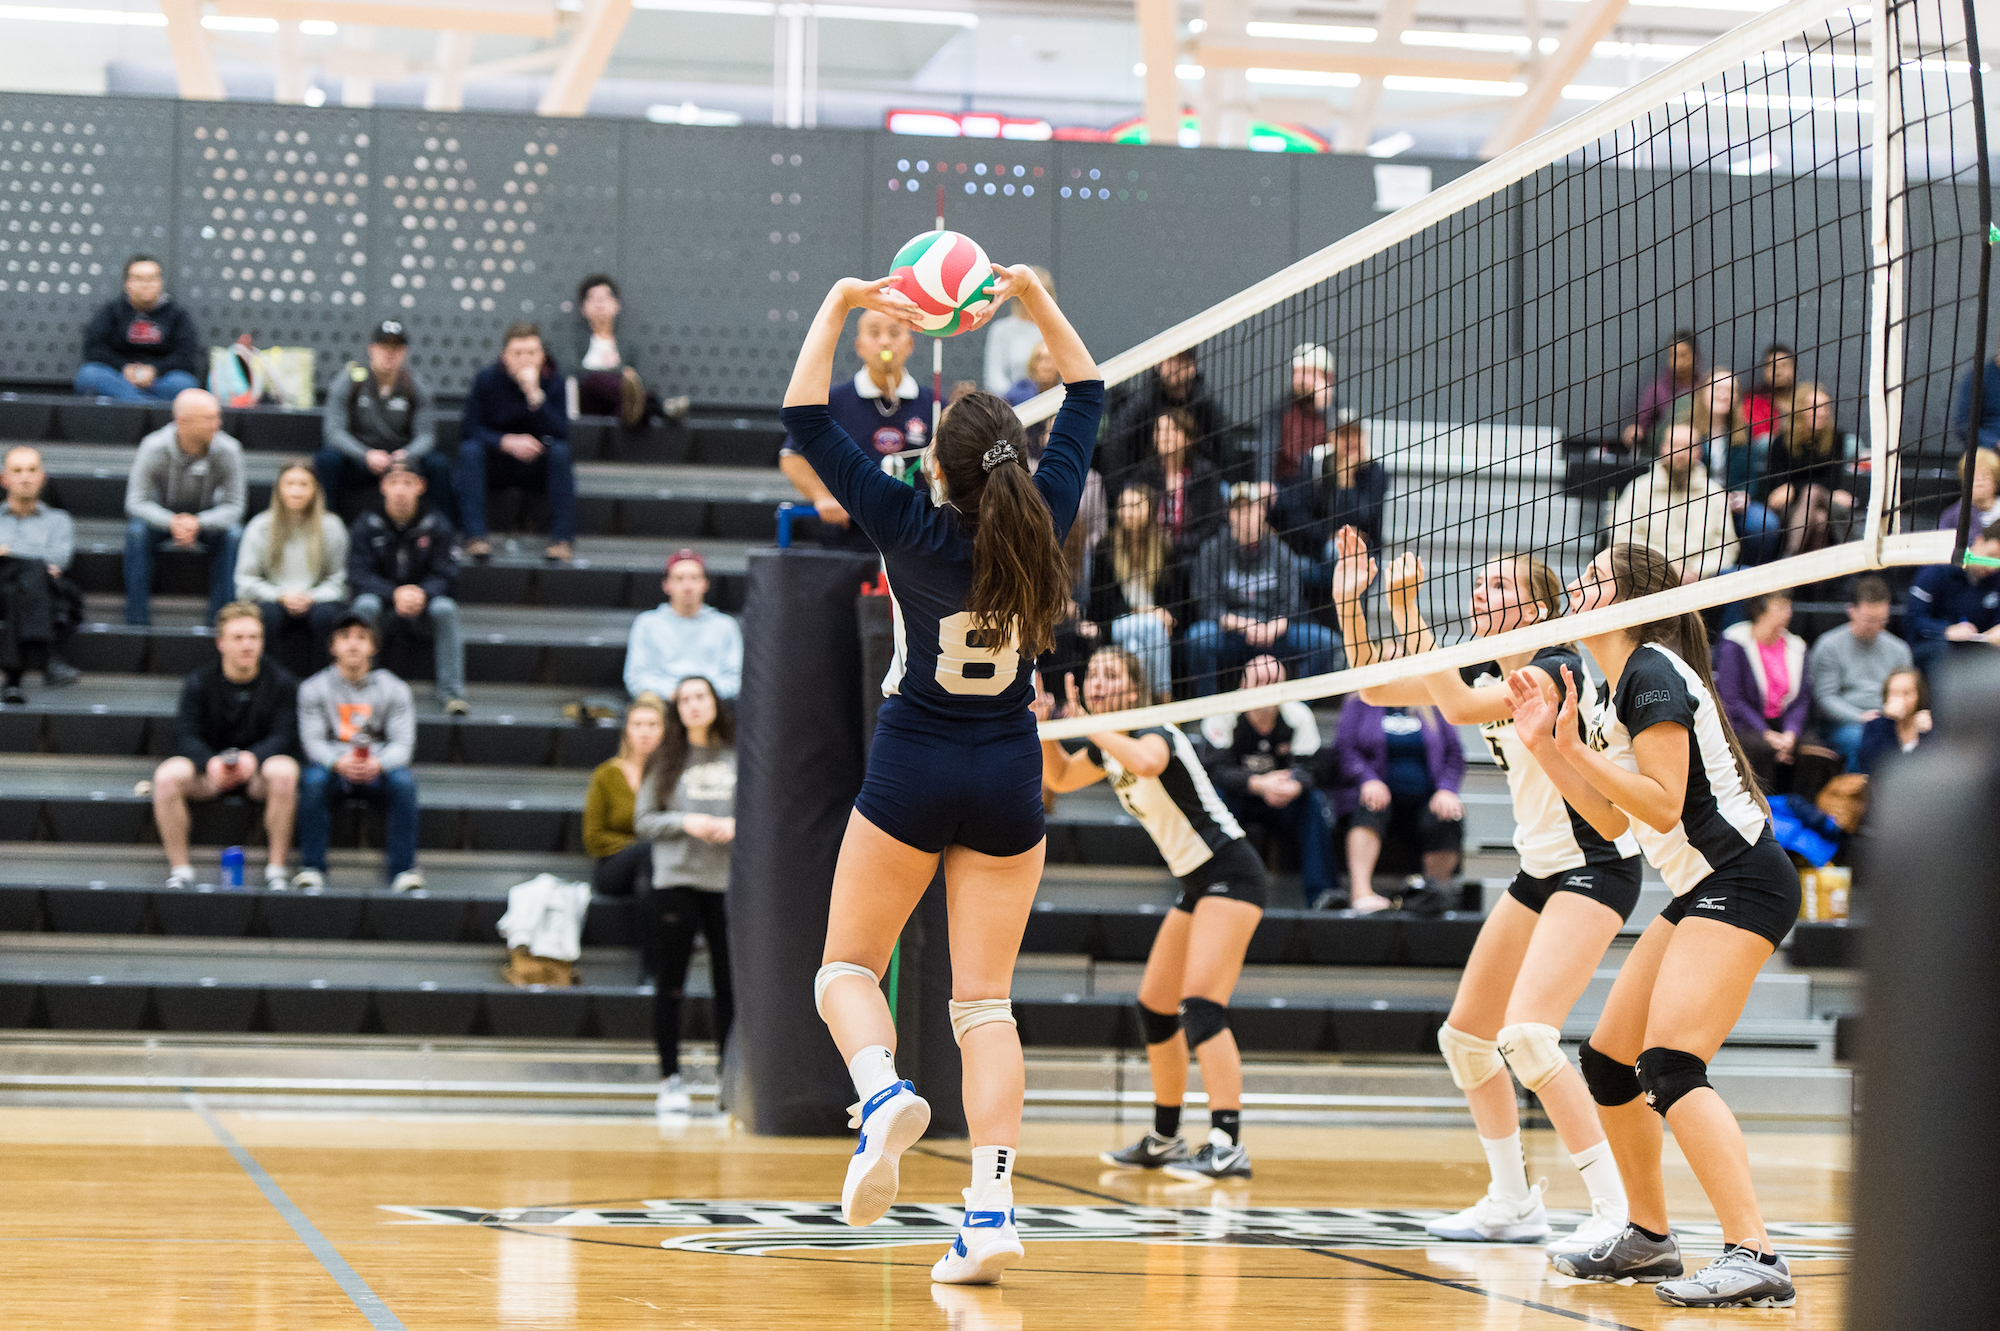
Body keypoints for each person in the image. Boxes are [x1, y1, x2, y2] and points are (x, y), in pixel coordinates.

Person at [779, 260, 1099, 1286]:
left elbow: (803, 417)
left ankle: (881, 1092)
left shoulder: (907, 524)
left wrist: (844, 301)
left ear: (939, 470)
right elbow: (1088, 391)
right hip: (1008, 769)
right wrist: (1034, 295)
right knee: (984, 1005)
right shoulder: (1047, 508)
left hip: (914, 760)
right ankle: (990, 1210)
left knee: (843, 970)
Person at [1329, 525, 1643, 1254]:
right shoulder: (1483, 669)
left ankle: (1618, 1211)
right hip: (1540, 870)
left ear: (1538, 608)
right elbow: (1374, 686)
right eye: (1480, 582)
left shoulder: (1556, 667)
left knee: (1528, 1036)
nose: (1480, 592)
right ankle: (1512, 1202)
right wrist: (1351, 604)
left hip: (1596, 864)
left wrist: (1407, 611)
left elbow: (1462, 710)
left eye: (1500, 584)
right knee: (1467, 1039)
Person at [1515, 543, 1797, 1310]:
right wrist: (1550, 748)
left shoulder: (1651, 670)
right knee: (1609, 1062)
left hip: (1742, 878)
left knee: (1670, 1063)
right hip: (1704, 885)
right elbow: (1613, 818)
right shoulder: (1618, 688)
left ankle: (1756, 1252)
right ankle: (1648, 1237)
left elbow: (1665, 805)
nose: (1576, 585)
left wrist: (1574, 749)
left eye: (1593, 577)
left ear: (1631, 600)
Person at [1040, 649, 1264, 1181]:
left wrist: (1089, 725)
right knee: (1156, 1006)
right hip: (1197, 882)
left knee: (1201, 1005)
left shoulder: (1154, 730)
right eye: (1093, 674)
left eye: (1111, 674)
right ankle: (1166, 1138)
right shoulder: (1109, 745)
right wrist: (1047, 729)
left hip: (1230, 871)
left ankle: (1227, 1142)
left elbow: (1148, 763)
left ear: (1135, 687)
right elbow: (1062, 777)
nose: (1099, 682)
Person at [633, 675, 738, 1116]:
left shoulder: (739, 753)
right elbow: (643, 821)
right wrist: (686, 822)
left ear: (715, 701)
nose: (694, 705)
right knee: (670, 984)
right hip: (676, 881)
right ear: (677, 710)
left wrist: (737, 826)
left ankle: (728, 1082)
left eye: (701, 696)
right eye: (685, 700)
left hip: (726, 883)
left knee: (728, 986)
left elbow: (762, 812)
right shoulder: (665, 759)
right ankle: (670, 1079)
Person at [151, 602, 300, 891]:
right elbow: (185, 735)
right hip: (210, 773)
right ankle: (180, 870)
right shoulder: (199, 682)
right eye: (238, 638)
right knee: (166, 777)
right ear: (221, 643)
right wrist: (210, 762)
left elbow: (285, 736)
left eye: (254, 637)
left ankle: (276, 870)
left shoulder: (281, 682)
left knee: (285, 771)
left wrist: (253, 759)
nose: (247, 645)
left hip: (258, 775)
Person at [778, 306, 937, 552]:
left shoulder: (935, 405)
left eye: (894, 333)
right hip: (850, 539)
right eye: (874, 333)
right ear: (859, 346)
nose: (884, 341)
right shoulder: (832, 402)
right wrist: (822, 496)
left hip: (916, 540)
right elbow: (791, 457)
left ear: (910, 344)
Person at [1327, 642, 1466, 915]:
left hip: (1424, 798)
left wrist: (1447, 789)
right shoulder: (1359, 702)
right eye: (1389, 661)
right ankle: (1360, 893)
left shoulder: (1430, 702)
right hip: (1378, 795)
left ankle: (1433, 894)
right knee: (1371, 804)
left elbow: (1454, 753)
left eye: (1402, 660)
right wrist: (1367, 779)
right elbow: (1345, 749)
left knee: (1448, 815)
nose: (1396, 667)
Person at [293, 611, 420, 893]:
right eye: (345, 637)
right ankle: (312, 867)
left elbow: (403, 745)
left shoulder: (395, 688)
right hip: (334, 767)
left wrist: (379, 763)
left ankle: (403, 870)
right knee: (313, 780)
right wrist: (338, 762)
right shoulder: (313, 688)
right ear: (332, 646)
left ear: (373, 647)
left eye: (362, 637)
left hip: (378, 766)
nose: (353, 644)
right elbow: (312, 743)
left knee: (404, 782)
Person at [1198, 654, 1333, 909]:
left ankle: (1322, 893)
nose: (1267, 688)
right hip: (1239, 798)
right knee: (1216, 798)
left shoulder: (1298, 715)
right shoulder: (1223, 713)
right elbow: (1215, 770)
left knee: (1313, 802)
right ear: (1243, 685)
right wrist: (1260, 783)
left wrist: (1294, 785)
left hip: (1282, 799)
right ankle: (1213, 887)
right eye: (1260, 681)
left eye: (1274, 681)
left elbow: (1312, 767)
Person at [1184, 482, 1334, 695]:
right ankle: (1209, 707)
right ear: (1229, 515)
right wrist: (1243, 625)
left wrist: (1272, 628)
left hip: (1273, 633)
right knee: (1199, 637)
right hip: (1231, 633)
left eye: (1250, 507)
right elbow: (1206, 604)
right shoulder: (1212, 549)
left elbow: (1291, 604)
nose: (1245, 515)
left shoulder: (1280, 551)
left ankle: (1296, 705)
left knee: (1326, 643)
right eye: (1238, 509)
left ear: (1262, 512)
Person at [347, 460, 467, 716]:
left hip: (423, 610)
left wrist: (422, 593)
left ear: (420, 486)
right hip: (384, 610)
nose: (400, 489)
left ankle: (452, 694)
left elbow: (448, 574)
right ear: (383, 486)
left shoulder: (437, 525)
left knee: (446, 608)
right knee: (364, 605)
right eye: (394, 482)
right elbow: (358, 575)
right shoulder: (366, 525)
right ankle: (360, 690)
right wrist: (393, 594)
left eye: (407, 482)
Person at [124, 388, 245, 626]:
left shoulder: (229, 450)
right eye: (209, 418)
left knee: (234, 535)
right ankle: (137, 624)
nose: (217, 424)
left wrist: (198, 523)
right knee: (136, 532)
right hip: (162, 521)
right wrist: (171, 522)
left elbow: (235, 506)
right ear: (182, 421)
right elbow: (135, 502)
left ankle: (222, 625)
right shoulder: (153, 447)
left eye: (217, 417)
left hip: (208, 521)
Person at [459, 323, 576, 564]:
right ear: (505, 356)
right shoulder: (486, 379)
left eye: (531, 353)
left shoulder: (555, 381)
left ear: (542, 356)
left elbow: (561, 432)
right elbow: (470, 428)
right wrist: (505, 441)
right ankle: (475, 537)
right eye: (518, 353)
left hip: (536, 465)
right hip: (497, 462)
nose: (525, 359)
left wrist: (535, 396)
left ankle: (561, 540)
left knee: (561, 452)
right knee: (470, 451)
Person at [316, 319, 454, 523]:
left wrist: (406, 455)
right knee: (327, 460)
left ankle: (442, 529)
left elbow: (426, 435)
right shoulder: (350, 380)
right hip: (360, 458)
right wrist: (365, 454)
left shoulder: (415, 385)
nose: (390, 352)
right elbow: (334, 432)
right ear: (371, 348)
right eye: (384, 346)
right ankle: (327, 525)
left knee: (438, 465)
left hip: (402, 460)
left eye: (396, 347)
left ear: (405, 351)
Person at [235, 463, 348, 678]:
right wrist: (280, 595)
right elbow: (246, 581)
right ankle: (273, 684)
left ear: (316, 489)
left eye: (304, 484)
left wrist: (311, 597)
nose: (296, 491)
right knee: (266, 615)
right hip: (274, 599)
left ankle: (321, 684)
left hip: (316, 600)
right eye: (290, 484)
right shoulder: (260, 526)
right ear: (279, 488)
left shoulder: (332, 526)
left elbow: (338, 581)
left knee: (326, 616)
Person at [1605, 421, 1739, 582]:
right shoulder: (1639, 490)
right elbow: (1622, 539)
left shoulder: (1714, 493)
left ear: (1699, 452)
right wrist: (1668, 568)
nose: (1680, 453)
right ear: (1662, 448)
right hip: (1649, 576)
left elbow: (1727, 546)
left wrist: (1697, 572)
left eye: (1687, 447)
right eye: (1674, 445)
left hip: (1702, 579)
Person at [0, 446, 82, 701]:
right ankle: (47, 658)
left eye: (32, 470)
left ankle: (13, 679)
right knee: (27, 572)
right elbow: (46, 561)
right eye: (17, 470)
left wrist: (8, 552)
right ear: (4, 479)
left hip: (40, 590)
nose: (25, 477)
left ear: (42, 477)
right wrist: (35, 557)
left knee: (22, 583)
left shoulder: (59, 520)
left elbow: (58, 560)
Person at [1086, 483, 1179, 703]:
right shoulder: (1106, 546)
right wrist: (1148, 612)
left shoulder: (1163, 546)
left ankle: (1140, 703)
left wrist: (1166, 614)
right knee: (1152, 625)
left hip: (1150, 632)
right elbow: (1102, 604)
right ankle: (1163, 698)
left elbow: (1174, 595)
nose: (1128, 512)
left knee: (1136, 648)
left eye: (1135, 506)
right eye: (1123, 506)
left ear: (1150, 510)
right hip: (1117, 623)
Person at [1808, 576, 1911, 771]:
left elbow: (1909, 690)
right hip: (1846, 722)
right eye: (1870, 619)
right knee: (1860, 739)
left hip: (1889, 718)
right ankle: (1859, 788)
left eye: (1882, 620)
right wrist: (1861, 717)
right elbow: (1825, 699)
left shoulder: (1899, 649)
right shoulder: (1829, 646)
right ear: (1851, 610)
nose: (1877, 626)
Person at [1716, 592, 1813, 794]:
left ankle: (1802, 809)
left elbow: (1801, 699)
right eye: (1780, 607)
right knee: (1761, 750)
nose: (1788, 613)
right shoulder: (1735, 644)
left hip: (1783, 723)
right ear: (1759, 611)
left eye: (1788, 606)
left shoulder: (1797, 646)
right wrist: (1766, 734)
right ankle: (1764, 808)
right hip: (1745, 724)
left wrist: (1791, 733)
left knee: (1815, 752)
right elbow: (1732, 699)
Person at [74, 256, 203, 403]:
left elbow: (185, 356)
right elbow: (94, 349)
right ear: (127, 283)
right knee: (89, 375)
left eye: (151, 279)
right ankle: (147, 406)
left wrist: (154, 371)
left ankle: (133, 404)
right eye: (139, 279)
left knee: (184, 384)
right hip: (119, 379)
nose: (145, 285)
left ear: (160, 282)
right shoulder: (111, 311)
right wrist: (124, 368)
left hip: (160, 381)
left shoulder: (178, 314)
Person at [623, 549, 743, 701]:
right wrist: (675, 695)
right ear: (666, 585)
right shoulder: (647, 623)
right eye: (679, 578)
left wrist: (700, 696)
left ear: (705, 584)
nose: (687, 585)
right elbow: (636, 677)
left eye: (694, 578)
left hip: (711, 704)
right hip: (663, 702)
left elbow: (734, 679)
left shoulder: (725, 625)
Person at [1692, 369, 1783, 566]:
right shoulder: (1687, 431)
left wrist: (1744, 495)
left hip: (1733, 505)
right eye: (1718, 388)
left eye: (1730, 390)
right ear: (1703, 393)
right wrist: (1715, 497)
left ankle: (1749, 574)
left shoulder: (1743, 433)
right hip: (1695, 502)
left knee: (1766, 524)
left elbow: (1750, 477)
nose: (1724, 394)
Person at [1101, 348, 1229, 479]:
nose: (1172, 367)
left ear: (1192, 367)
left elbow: (1226, 450)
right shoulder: (1142, 401)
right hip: (1147, 484)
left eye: (1179, 361)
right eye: (1168, 360)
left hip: (1198, 484)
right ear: (1158, 365)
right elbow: (1116, 445)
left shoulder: (1206, 404)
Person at [585, 694, 666, 898]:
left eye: (653, 725)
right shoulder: (606, 774)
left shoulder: (673, 775)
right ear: (627, 731)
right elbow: (593, 838)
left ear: (665, 731)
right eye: (637, 725)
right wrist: (638, 846)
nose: (645, 732)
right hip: (614, 865)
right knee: (647, 854)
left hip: (663, 864)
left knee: (648, 877)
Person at [1276, 408, 1384, 562]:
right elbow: (1297, 517)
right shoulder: (1314, 466)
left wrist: (1346, 481)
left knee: (1345, 550)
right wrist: (1329, 534)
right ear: (1331, 438)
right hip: (1315, 551)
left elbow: (1365, 517)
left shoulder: (1375, 471)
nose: (1351, 441)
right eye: (1344, 435)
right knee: (1335, 548)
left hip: (1364, 555)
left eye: (1355, 434)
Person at [1905, 517, 2000, 678]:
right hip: (1935, 646)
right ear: (1979, 542)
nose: (1992, 566)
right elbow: (1914, 620)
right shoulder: (1937, 570)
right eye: (1991, 556)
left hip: (1980, 651)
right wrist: (1946, 630)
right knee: (1946, 652)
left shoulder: (1997, 578)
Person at [1763, 386, 1852, 556]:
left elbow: (1832, 481)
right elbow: (1778, 486)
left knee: (1813, 492)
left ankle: (1789, 556)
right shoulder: (1781, 442)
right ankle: (1814, 572)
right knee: (1820, 520)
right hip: (1793, 507)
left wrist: (1795, 488)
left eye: (1825, 407)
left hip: (1824, 498)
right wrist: (1797, 490)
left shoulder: (1837, 438)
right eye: (1815, 407)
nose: (1822, 413)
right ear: (1800, 410)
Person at [1136, 408, 1226, 558]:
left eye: (1172, 429)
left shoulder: (1205, 474)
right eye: (1159, 430)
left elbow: (1212, 523)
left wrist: (1180, 545)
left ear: (1188, 438)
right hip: (1152, 554)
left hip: (1194, 554)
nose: (1165, 436)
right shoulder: (1144, 475)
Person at [1265, 343, 1339, 489]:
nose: (1299, 379)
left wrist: (1324, 408)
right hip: (1287, 485)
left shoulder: (1339, 411)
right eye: (1296, 372)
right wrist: (1265, 482)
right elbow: (1266, 449)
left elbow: (1341, 449)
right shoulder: (1280, 409)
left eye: (1307, 372)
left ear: (1328, 377)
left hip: (1326, 487)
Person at [982, 265, 1054, 396]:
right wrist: (1016, 398)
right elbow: (994, 378)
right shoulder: (1001, 330)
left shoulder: (1054, 329)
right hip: (1012, 403)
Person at [1622, 331, 1701, 448]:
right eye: (1673, 356)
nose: (1678, 361)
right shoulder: (1659, 389)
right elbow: (1643, 422)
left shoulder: (1705, 386)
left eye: (1683, 355)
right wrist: (1636, 430)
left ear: (1696, 356)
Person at [1856, 667, 1932, 776]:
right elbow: (1869, 766)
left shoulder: (1928, 724)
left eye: (1907, 693)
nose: (1900, 699)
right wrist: (1887, 722)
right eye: (1894, 694)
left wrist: (1928, 734)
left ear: (1919, 695)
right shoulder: (1875, 726)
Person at [1951, 336, 2000, 453]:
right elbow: (1964, 424)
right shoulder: (1979, 377)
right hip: (1989, 449)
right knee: (1983, 462)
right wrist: (1994, 443)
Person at [1937, 446, 2000, 536]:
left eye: (1986, 477)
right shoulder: (1951, 517)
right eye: (1975, 478)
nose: (1980, 483)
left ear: (1995, 482)